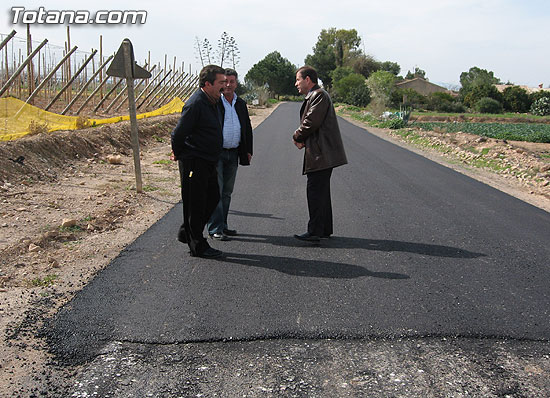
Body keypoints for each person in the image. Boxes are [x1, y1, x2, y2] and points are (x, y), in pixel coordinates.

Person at [171, 65, 226, 258]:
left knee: (212, 198)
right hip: (195, 162)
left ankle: (187, 231)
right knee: (195, 203)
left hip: (209, 161)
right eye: (221, 82)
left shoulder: (214, 101)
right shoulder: (195, 104)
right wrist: (179, 154)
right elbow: (178, 134)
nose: (224, 86)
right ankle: (198, 245)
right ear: (208, 83)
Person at [292, 66, 348, 242]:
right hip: (321, 152)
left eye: (298, 80)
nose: (296, 84)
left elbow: (311, 122)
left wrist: (297, 136)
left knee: (315, 192)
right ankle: (323, 229)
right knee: (321, 192)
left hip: (321, 153)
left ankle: (315, 231)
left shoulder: (318, 95)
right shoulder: (318, 95)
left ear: (308, 80)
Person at [207, 68, 253, 241]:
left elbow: (247, 128)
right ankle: (215, 228)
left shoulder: (240, 103)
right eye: (225, 81)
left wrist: (248, 150)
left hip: (233, 153)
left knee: (227, 192)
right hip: (216, 153)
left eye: (232, 81)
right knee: (216, 191)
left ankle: (223, 225)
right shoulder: (214, 102)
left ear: (236, 83)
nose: (228, 85)